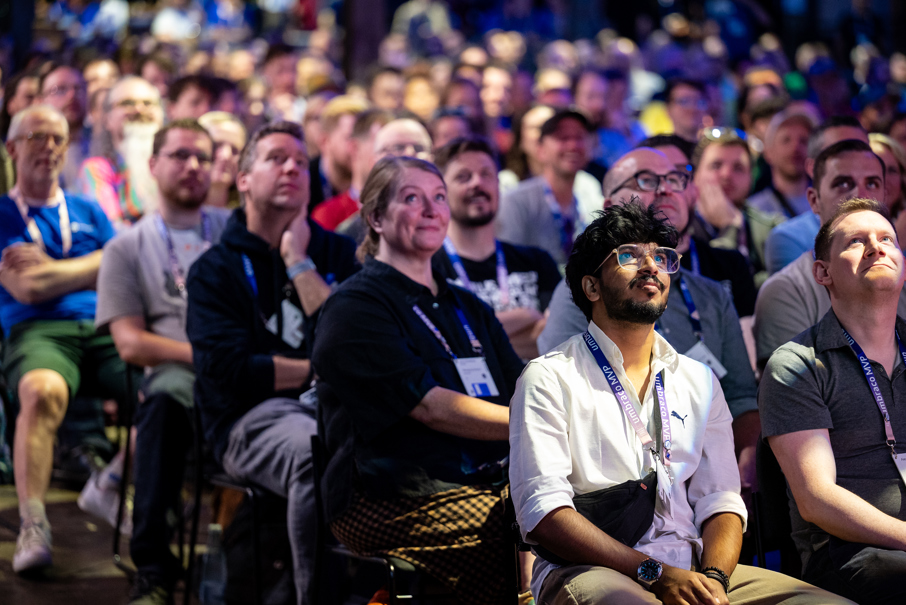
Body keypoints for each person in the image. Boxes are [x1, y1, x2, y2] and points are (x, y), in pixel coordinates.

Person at [510, 201, 851, 605]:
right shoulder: (550, 376)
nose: (651, 265)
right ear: (591, 287)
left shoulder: (698, 379)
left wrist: (714, 581)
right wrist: (654, 574)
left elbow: (721, 502)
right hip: (591, 569)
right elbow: (545, 516)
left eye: (661, 256)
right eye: (628, 256)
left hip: (694, 567)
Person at [312, 156, 524, 604]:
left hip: (486, 479)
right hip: (391, 497)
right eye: (412, 198)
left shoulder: (467, 305)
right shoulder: (355, 306)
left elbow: (523, 387)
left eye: (439, 198)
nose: (431, 209)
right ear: (375, 218)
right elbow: (429, 406)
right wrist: (544, 425)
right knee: (520, 528)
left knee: (575, 510)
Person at [186, 121, 358, 604]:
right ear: (242, 178)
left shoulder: (338, 253)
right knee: (312, 453)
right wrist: (313, 371)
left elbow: (356, 347)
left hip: (337, 410)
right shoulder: (215, 270)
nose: (292, 169)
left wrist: (299, 262)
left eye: (301, 162)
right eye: (276, 159)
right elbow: (231, 370)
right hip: (245, 420)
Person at [92, 118, 229, 603]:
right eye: (180, 155)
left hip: (243, 376)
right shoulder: (126, 246)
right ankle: (153, 567)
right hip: (179, 375)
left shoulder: (233, 229)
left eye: (203, 157)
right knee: (166, 399)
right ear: (153, 165)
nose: (193, 166)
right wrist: (211, 356)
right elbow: (129, 344)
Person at [759, 198, 906, 605]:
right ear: (822, 272)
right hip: (850, 555)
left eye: (887, 239)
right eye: (857, 241)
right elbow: (817, 500)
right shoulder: (798, 364)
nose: (877, 247)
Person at [0, 105, 124, 574]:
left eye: (58, 139)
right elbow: (27, 290)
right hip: (37, 330)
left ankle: (111, 482)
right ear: (12, 148)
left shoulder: (89, 210)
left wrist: (53, 269)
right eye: (36, 137)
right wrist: (95, 266)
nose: (48, 147)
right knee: (41, 390)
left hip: (104, 326)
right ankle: (34, 523)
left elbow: (122, 269)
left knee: (167, 383)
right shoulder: (2, 214)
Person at [752, 139, 905, 370]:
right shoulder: (785, 291)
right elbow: (795, 393)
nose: (860, 195)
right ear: (814, 200)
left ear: (885, 194)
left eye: (872, 183)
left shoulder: (899, 271)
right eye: (843, 184)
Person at [432, 136, 560, 359]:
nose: (477, 183)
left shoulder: (537, 262)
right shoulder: (430, 269)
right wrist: (527, 316)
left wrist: (473, 337)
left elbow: (559, 338)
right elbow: (438, 342)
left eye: (486, 174)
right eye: (463, 177)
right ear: (441, 193)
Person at [602, 147, 757, 318]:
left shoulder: (727, 273)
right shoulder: (596, 278)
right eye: (647, 180)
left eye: (674, 179)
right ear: (611, 207)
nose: (665, 189)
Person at [497, 108, 602, 267]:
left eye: (579, 137)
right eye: (563, 138)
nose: (573, 145)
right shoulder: (515, 201)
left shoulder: (590, 194)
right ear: (540, 149)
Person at [690, 129, 785, 289]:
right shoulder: (679, 230)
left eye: (738, 168)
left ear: (751, 178)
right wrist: (730, 229)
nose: (726, 174)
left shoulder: (773, 228)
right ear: (695, 175)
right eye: (716, 165)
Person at [76, 76, 164, 229]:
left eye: (148, 103)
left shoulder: (177, 163)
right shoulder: (98, 170)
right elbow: (111, 229)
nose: (139, 109)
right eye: (127, 103)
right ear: (107, 119)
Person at [335, 117, 434, 244]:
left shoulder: (449, 219)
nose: (410, 154)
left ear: (432, 158)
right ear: (377, 161)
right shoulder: (351, 234)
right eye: (398, 147)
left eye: (419, 148)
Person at [311, 108, 394, 231]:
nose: (391, 155)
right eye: (382, 146)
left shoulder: (407, 211)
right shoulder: (328, 215)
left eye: (395, 146)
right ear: (354, 147)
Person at [746, 107, 817, 221]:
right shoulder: (754, 211)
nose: (795, 148)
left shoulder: (827, 203)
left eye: (803, 140)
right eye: (786, 140)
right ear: (768, 152)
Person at [310, 95, 370, 212]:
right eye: (349, 138)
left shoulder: (372, 180)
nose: (357, 147)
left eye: (363, 138)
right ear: (324, 142)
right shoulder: (305, 181)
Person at [39, 64, 90, 192]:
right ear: (40, 100)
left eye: (78, 89)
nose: (72, 95)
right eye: (60, 89)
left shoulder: (102, 145)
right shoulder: (32, 152)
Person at [197, 111, 247, 209]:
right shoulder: (174, 209)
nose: (226, 156)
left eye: (235, 150)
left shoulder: (246, 215)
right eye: (216, 145)